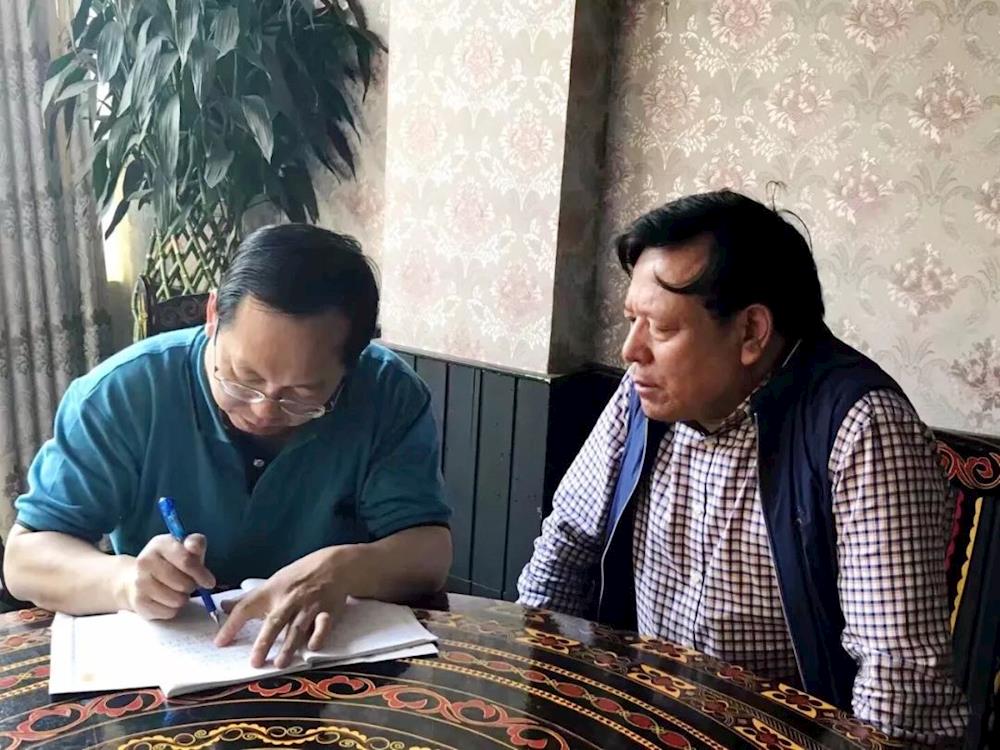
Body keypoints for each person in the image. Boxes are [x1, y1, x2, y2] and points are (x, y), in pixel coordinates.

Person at [517, 190, 967, 744]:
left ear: (752, 332)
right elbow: (564, 550)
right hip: (643, 723)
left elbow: (898, 686)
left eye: (661, 328)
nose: (631, 351)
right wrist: (531, 704)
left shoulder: (861, 427)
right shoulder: (642, 397)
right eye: (632, 320)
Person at [4, 224, 452, 669]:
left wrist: (345, 569)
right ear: (213, 315)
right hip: (166, 674)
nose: (263, 410)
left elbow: (430, 553)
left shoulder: (388, 393)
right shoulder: (124, 393)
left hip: (327, 668)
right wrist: (124, 580)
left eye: (301, 394)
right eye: (243, 378)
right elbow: (25, 560)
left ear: (352, 365)